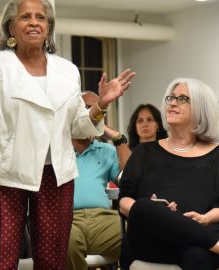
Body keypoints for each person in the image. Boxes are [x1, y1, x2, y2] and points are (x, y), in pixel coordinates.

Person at [0, 0, 135, 268]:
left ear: (48, 26)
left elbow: (78, 127)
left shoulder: (67, 70)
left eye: (41, 18)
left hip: (56, 173)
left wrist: (101, 104)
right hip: (4, 173)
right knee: (1, 257)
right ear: (11, 27)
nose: (34, 22)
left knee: (53, 257)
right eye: (25, 17)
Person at [118, 78, 219, 270]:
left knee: (198, 256)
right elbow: (124, 201)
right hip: (155, 236)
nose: (172, 102)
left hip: (207, 234)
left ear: (200, 110)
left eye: (182, 99)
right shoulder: (144, 152)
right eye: (171, 98)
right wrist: (160, 213)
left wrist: (206, 219)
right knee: (144, 207)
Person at [67, 91, 121, 270]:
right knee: (66, 242)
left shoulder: (107, 151)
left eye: (97, 109)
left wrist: (117, 137)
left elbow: (128, 181)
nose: (91, 113)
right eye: (86, 108)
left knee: (141, 235)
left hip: (103, 220)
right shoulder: (58, 150)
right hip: (68, 219)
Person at [103, 103, 167, 170]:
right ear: (135, 127)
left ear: (158, 125)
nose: (144, 124)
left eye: (150, 120)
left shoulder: (167, 150)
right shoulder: (126, 152)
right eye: (140, 121)